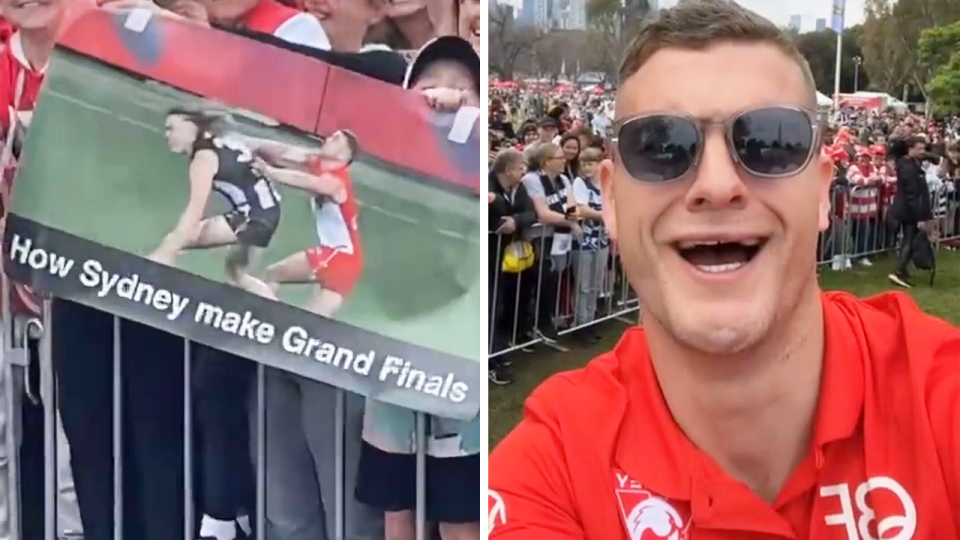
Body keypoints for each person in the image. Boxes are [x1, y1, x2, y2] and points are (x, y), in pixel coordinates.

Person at [489, 1, 959, 538]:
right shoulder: (551, 472)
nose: (715, 184)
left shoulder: (938, 398)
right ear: (612, 200)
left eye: (771, 142)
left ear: (822, 190)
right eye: (662, 147)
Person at [149, 108, 278, 299]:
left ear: (191, 128)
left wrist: (164, 253)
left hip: (252, 219)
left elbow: (195, 211)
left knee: (173, 241)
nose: (167, 135)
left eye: (172, 129)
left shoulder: (203, 159)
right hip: (267, 214)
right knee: (237, 277)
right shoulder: (222, 141)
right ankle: (275, 313)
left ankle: (156, 292)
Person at [252, 130, 363, 316]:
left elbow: (303, 180)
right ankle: (272, 327)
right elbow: (285, 154)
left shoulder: (337, 182)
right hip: (349, 263)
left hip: (339, 256)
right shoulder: (318, 163)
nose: (327, 138)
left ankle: (265, 321)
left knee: (273, 274)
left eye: (335, 139)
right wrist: (254, 147)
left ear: (344, 155)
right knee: (310, 323)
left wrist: (269, 171)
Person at [488, 148, 537, 385]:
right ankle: (492, 358)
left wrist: (516, 220)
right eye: (520, 168)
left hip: (508, 257)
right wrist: (497, 202)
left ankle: (499, 349)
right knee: (490, 307)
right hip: (487, 256)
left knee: (504, 304)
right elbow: (493, 216)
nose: (524, 172)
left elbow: (531, 212)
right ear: (508, 170)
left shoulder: (520, 188)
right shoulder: (489, 185)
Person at [570, 147, 608, 342]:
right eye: (584, 164)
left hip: (602, 239)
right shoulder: (579, 183)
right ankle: (581, 323)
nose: (586, 168)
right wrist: (605, 215)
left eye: (590, 163)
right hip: (584, 240)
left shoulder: (605, 183)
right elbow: (582, 209)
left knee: (595, 283)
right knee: (583, 285)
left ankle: (591, 320)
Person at [888, 136, 933, 289]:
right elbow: (913, 194)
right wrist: (920, 217)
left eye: (923, 149)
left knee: (909, 240)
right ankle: (899, 272)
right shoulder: (908, 167)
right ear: (910, 148)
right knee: (909, 240)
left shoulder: (911, 164)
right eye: (919, 149)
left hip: (909, 209)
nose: (922, 152)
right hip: (909, 211)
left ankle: (902, 269)